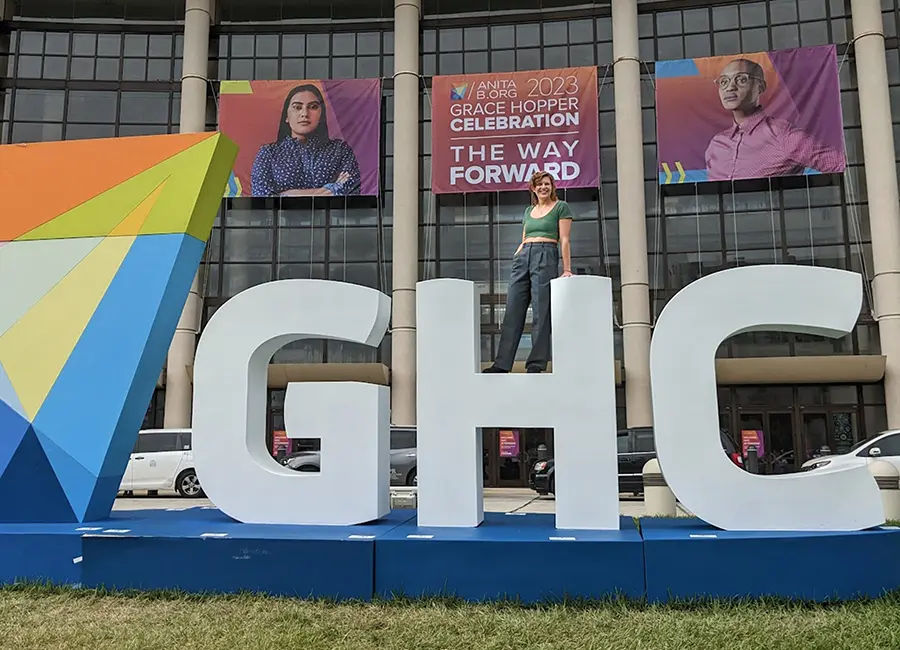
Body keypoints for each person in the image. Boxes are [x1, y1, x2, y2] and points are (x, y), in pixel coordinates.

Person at [483, 171, 573, 374]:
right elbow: (524, 237)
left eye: (547, 184)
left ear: (552, 187)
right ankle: (502, 364)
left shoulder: (561, 207)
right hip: (524, 256)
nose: (543, 187)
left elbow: (565, 239)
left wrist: (566, 269)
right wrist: (519, 254)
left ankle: (536, 364)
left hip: (546, 253)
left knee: (541, 311)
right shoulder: (528, 211)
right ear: (533, 188)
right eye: (539, 184)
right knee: (513, 309)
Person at [704, 58, 845, 181]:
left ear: (760, 87)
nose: (730, 87)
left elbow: (837, 163)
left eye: (741, 79)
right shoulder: (716, 145)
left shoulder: (781, 134)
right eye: (723, 82)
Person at [251, 84, 361, 196]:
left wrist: (287, 195)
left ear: (321, 114)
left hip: (330, 214)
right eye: (297, 107)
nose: (304, 114)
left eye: (313, 107)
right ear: (286, 116)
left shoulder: (340, 150)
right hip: (283, 215)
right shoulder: (269, 153)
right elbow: (262, 197)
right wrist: (330, 189)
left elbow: (351, 189)